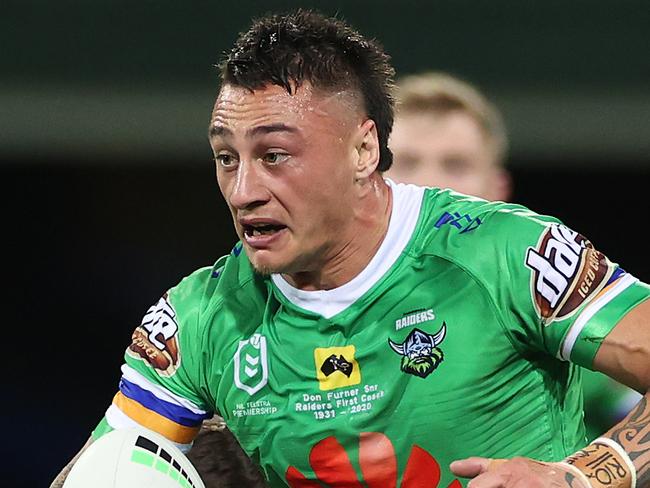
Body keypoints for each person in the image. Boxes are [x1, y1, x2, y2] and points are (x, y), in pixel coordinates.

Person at [52, 9, 650, 488]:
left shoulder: (508, 254)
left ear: (364, 151)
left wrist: (584, 475)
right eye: (226, 158)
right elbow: (101, 469)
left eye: (274, 156)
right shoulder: (198, 320)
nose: (243, 191)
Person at [387, 71, 642, 444]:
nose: (431, 185)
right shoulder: (307, 310)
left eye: (455, 165)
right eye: (408, 163)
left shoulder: (560, 319)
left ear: (499, 189)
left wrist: (585, 474)